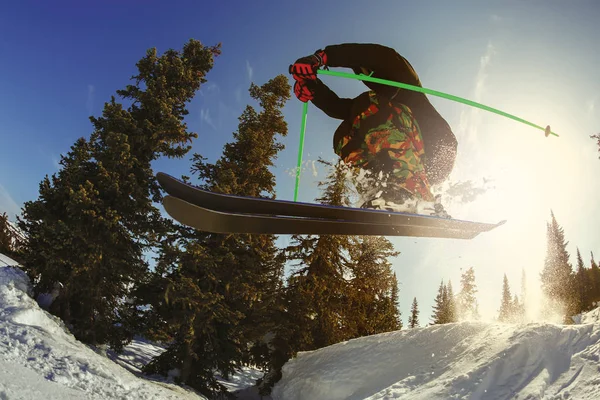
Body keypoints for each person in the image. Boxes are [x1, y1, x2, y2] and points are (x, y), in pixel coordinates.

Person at [289, 43, 457, 217]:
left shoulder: (402, 76)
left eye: (366, 71)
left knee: (372, 107)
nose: (365, 76)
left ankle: (416, 196)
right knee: (344, 133)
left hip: (437, 148)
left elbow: (379, 56)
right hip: (409, 162)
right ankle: (380, 192)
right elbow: (338, 108)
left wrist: (323, 57)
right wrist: (313, 88)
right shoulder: (375, 105)